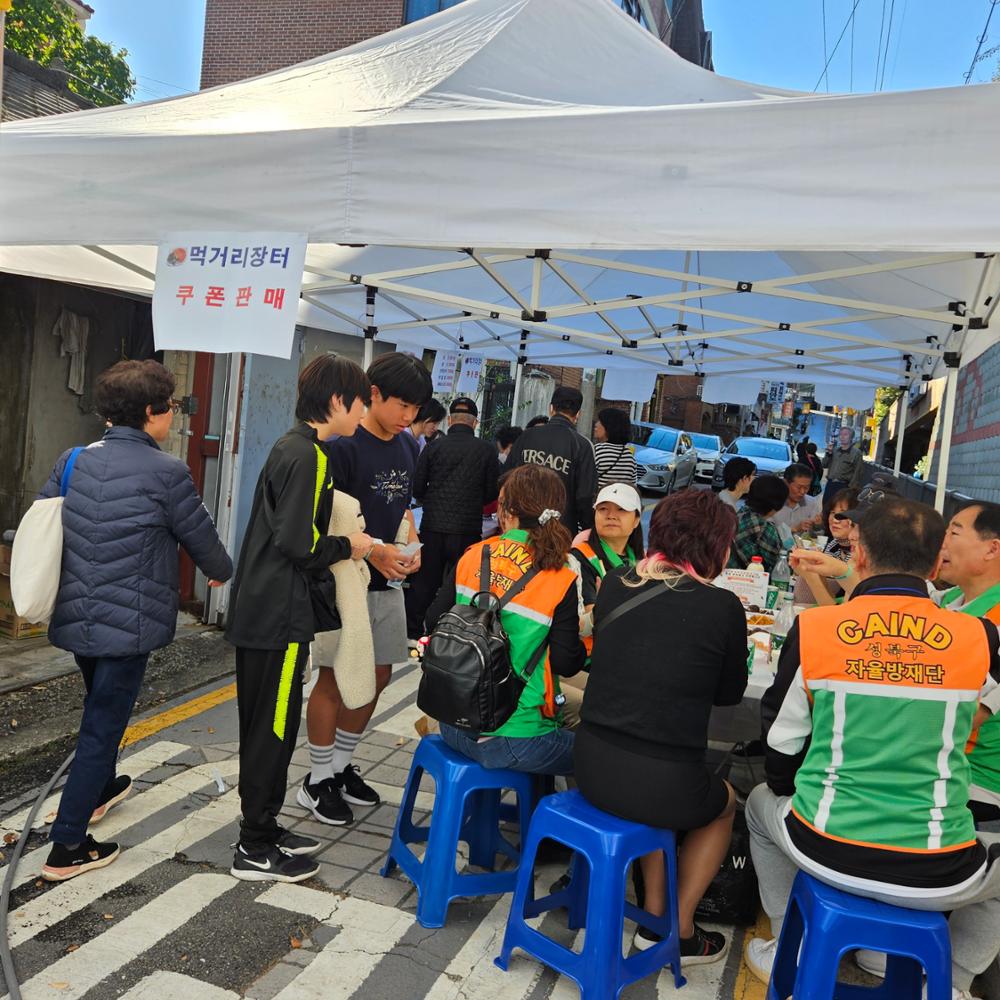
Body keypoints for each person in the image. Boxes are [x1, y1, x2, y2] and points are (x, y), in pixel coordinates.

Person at [744, 498, 1000, 1000]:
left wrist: (794, 787)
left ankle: (786, 945)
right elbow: (973, 720)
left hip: (822, 847)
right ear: (932, 569)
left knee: (758, 805)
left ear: (859, 556)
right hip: (937, 864)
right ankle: (955, 983)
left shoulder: (817, 629)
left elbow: (780, 746)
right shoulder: (978, 635)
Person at [39, 360, 233, 883]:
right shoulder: (166, 472)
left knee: (99, 708)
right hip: (129, 624)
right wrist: (221, 572)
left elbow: (39, 522)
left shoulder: (73, 460)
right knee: (102, 725)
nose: (172, 416)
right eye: (170, 407)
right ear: (152, 412)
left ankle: (98, 790)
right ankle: (68, 846)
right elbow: (201, 538)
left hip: (78, 616)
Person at [575, 490, 748, 963]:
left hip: (590, 766)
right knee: (724, 803)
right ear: (717, 545)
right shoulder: (724, 606)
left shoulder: (616, 582)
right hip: (664, 779)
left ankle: (654, 911)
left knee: (656, 793)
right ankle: (681, 927)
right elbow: (729, 695)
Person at [224, 354, 371, 882]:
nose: (363, 413)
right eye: (360, 403)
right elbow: (299, 542)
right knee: (274, 728)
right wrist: (349, 545)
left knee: (267, 726)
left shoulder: (292, 447)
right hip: (279, 615)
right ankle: (255, 845)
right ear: (337, 402)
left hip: (264, 611)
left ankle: (261, 826)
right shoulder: (310, 455)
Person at [302, 353, 431, 825]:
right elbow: (325, 520)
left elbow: (401, 506)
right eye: (403, 405)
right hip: (341, 580)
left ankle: (339, 766)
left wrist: (410, 543)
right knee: (335, 677)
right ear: (372, 394)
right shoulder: (342, 446)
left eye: (416, 409)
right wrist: (373, 550)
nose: (409, 417)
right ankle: (316, 779)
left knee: (376, 676)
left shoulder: (407, 447)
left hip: (386, 580)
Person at [427, 464, 586, 775]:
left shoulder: (474, 553)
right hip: (515, 739)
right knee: (599, 758)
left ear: (508, 510)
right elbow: (567, 663)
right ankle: (541, 822)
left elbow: (432, 619)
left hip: (452, 725)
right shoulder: (560, 573)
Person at [407, 396, 500, 638]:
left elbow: (417, 486)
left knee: (425, 582)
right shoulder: (487, 450)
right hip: (468, 527)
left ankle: (415, 630)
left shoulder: (434, 447)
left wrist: (433, 500)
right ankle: (453, 631)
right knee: (461, 583)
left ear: (449, 420)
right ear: (475, 422)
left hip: (433, 525)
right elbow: (493, 491)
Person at [561, 483, 645, 728]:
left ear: (637, 520)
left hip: (624, 660)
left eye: (621, 510)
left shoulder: (639, 560)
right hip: (587, 663)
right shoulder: (579, 559)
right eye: (603, 509)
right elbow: (588, 621)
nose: (611, 515)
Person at [506, 386, 598, 535]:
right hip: (560, 531)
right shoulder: (582, 445)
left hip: (522, 526)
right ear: (578, 414)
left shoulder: (527, 436)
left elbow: (507, 478)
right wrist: (588, 531)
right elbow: (585, 497)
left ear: (551, 408)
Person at [728, 476, 789, 572]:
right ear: (778, 505)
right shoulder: (764, 528)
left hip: (723, 577)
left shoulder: (737, 515)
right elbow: (780, 564)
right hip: (748, 582)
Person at [592, 407, 637, 490]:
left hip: (599, 501)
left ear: (609, 427)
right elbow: (633, 488)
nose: (596, 424)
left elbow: (585, 480)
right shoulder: (629, 457)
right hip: (619, 502)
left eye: (600, 421)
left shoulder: (597, 451)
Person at [770, 464, 821, 534]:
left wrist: (817, 526)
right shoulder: (771, 502)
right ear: (785, 482)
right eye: (798, 487)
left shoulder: (812, 503)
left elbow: (816, 534)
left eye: (806, 488)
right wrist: (795, 529)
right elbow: (766, 534)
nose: (802, 492)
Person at [822, 425, 863, 502]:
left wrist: (850, 489)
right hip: (830, 484)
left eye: (845, 434)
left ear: (851, 437)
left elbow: (858, 472)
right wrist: (829, 453)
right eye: (840, 434)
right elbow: (824, 464)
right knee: (826, 507)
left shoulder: (856, 453)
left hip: (843, 486)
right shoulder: (835, 450)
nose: (842, 437)